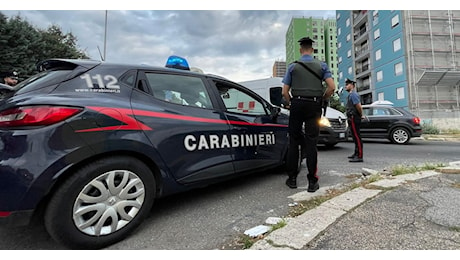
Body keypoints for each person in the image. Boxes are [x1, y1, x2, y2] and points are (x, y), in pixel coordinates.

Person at [282, 36, 335, 192]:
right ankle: (312, 182)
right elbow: (331, 87)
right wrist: (323, 98)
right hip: (314, 104)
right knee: (312, 142)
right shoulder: (322, 65)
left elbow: (284, 91)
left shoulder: (292, 67)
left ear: (300, 50)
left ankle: (292, 179)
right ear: (312, 50)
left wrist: (291, 102)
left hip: (297, 103)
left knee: (293, 141)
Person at [345, 78, 365, 163]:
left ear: (352, 85)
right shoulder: (350, 95)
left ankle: (359, 156)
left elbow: (358, 106)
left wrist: (361, 115)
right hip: (351, 117)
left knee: (357, 137)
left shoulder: (353, 94)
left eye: (347, 84)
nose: (345, 86)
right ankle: (356, 153)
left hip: (354, 117)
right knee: (354, 136)